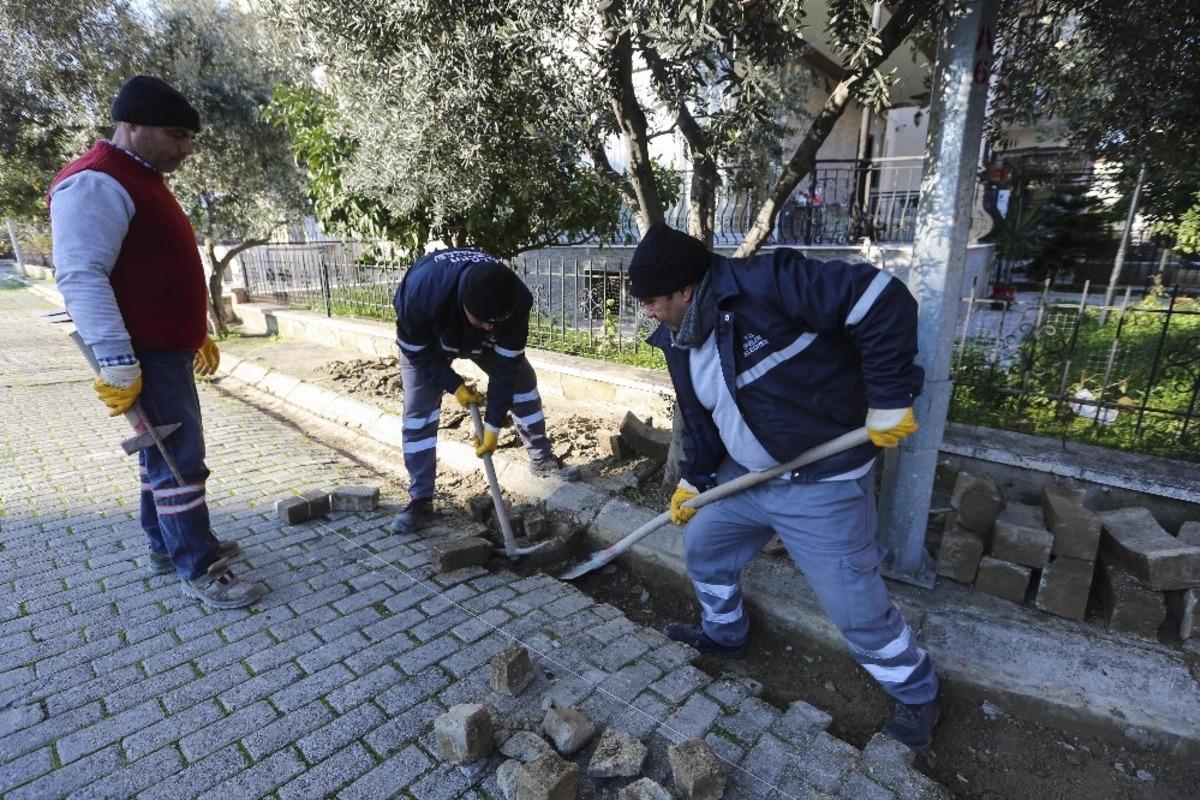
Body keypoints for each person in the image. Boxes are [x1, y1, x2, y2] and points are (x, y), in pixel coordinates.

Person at [628, 223, 940, 750]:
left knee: (853, 606)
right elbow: (702, 421)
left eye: (654, 301)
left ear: (684, 290)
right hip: (746, 480)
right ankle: (725, 636)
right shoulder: (679, 339)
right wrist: (693, 480)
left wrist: (889, 395)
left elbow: (879, 298)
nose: (649, 313)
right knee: (704, 546)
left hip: (821, 482)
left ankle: (916, 694)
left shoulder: (768, 283)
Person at [48, 75, 262, 609]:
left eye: (191, 138)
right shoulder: (96, 182)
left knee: (159, 455)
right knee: (178, 458)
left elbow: (160, 268)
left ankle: (169, 548)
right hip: (142, 353)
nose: (187, 149)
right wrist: (119, 364)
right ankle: (201, 565)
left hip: (164, 350)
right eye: (176, 135)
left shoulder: (139, 178)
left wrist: (198, 332)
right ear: (132, 124)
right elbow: (81, 275)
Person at [389, 247, 580, 533]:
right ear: (465, 305)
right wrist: (454, 385)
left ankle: (541, 459)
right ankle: (420, 500)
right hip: (430, 341)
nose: (491, 326)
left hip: (475, 335)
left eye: (496, 321)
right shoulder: (421, 294)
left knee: (523, 384)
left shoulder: (516, 299)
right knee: (419, 412)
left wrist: (492, 426)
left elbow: (506, 370)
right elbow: (416, 351)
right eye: (485, 321)